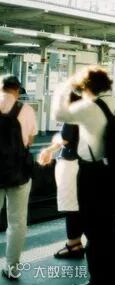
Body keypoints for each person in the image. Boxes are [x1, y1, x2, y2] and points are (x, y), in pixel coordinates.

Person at [53, 66, 115, 285]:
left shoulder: (89, 107)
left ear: (87, 87)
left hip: (93, 173)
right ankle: (113, 279)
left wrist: (63, 87)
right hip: (114, 171)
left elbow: (58, 114)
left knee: (93, 230)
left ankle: (98, 280)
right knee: (111, 229)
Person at [38, 92, 85, 260]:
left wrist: (49, 149)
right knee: (78, 205)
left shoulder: (72, 114)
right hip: (83, 163)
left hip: (71, 163)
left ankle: (74, 244)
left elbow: (65, 139)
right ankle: (76, 242)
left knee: (71, 205)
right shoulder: (88, 113)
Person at [0, 75, 37, 280]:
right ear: (17, 90)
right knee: (17, 222)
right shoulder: (27, 110)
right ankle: (12, 267)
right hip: (19, 173)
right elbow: (30, 140)